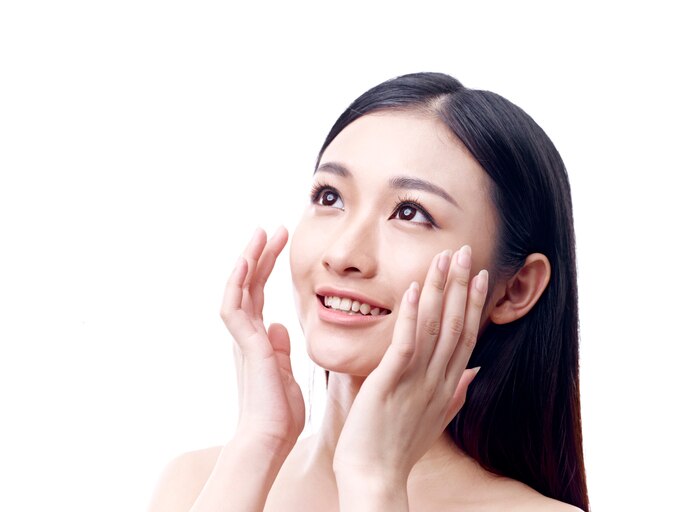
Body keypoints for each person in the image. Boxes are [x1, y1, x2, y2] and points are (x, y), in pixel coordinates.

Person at [148, 72, 589, 511]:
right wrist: (258, 443)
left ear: (515, 290)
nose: (342, 254)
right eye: (329, 197)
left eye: (410, 212)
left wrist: (373, 482)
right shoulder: (197, 484)